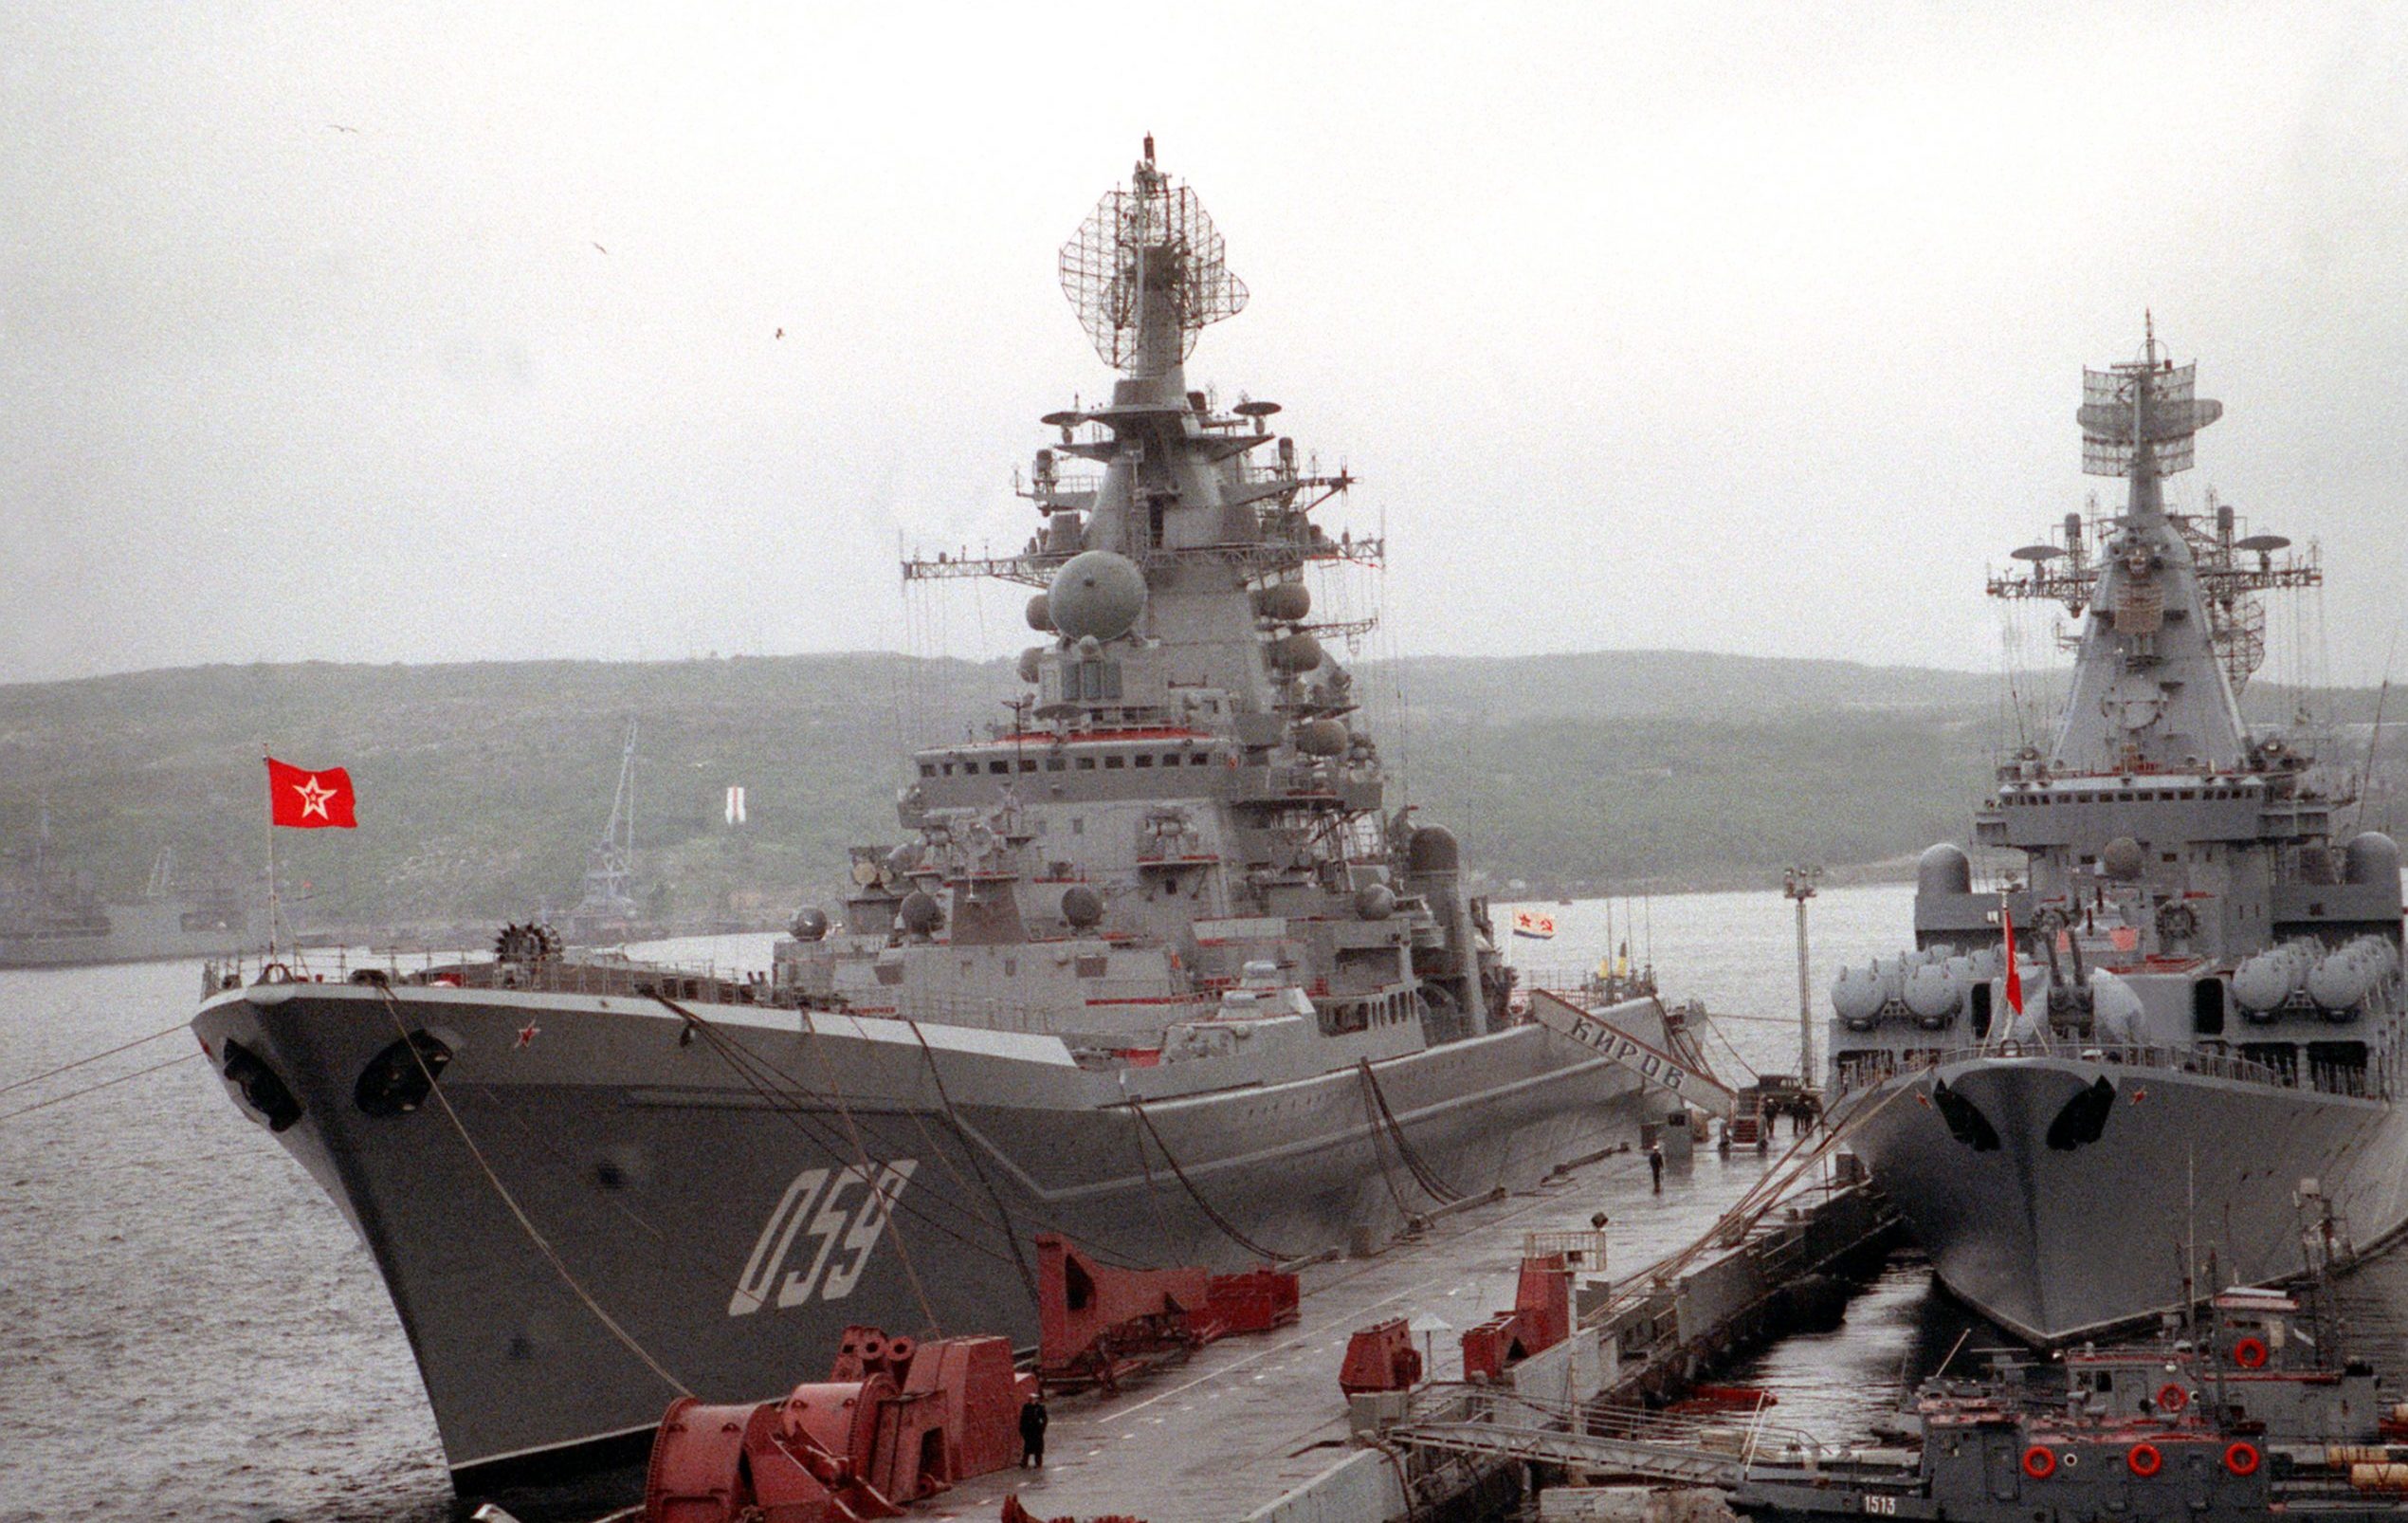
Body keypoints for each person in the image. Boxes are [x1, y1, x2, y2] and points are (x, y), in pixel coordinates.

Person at [1019, 1392, 1049, 1468]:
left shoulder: (1040, 1407)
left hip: (1037, 1430)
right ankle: (1024, 1463)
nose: (1034, 1400)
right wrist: (1022, 1429)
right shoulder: (1026, 1407)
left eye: (1035, 1399)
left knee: (1038, 1448)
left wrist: (1042, 1427)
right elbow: (1023, 1418)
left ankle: (1038, 1463)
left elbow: (1044, 1418)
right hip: (1029, 1430)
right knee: (1027, 1448)